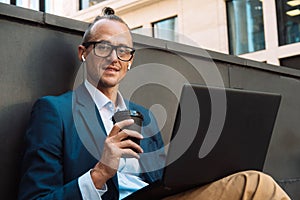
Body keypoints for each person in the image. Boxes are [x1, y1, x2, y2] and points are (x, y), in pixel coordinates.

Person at [18, 7, 291, 200]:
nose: (115, 58)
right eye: (103, 47)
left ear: (130, 61)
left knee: (244, 178)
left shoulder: (143, 117)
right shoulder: (55, 112)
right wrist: (100, 172)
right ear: (83, 53)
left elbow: (164, 183)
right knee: (254, 185)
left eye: (123, 51)